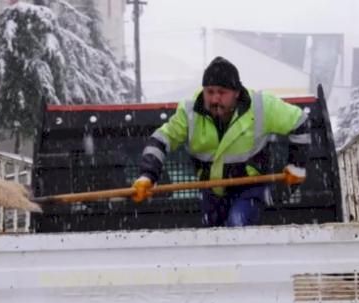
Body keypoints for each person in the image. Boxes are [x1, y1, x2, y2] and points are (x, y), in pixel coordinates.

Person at [132, 56, 311, 227]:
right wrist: (147, 176)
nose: (214, 99)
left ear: (237, 93)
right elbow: (161, 140)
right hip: (210, 192)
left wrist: (296, 166)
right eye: (210, 92)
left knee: (237, 223)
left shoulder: (262, 107)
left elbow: (300, 122)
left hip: (250, 189)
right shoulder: (189, 112)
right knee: (214, 238)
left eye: (222, 92)